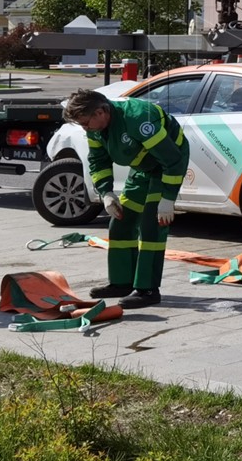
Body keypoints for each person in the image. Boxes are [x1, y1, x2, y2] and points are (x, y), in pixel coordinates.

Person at [62, 88, 190, 309]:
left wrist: (168, 198)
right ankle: (122, 282)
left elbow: (172, 160)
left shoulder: (138, 119)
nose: (85, 128)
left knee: (152, 224)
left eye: (85, 123)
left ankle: (148, 290)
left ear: (101, 111)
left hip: (166, 165)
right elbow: (98, 160)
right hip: (142, 168)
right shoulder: (95, 128)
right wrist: (106, 194)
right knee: (121, 221)